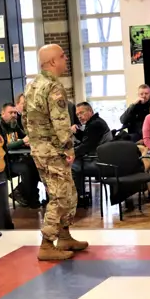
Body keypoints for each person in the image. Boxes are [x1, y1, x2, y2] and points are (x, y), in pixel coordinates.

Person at [24, 44, 88, 260]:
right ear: (52, 62)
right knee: (61, 195)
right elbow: (61, 123)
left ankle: (64, 235)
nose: (66, 59)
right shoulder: (53, 87)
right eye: (62, 56)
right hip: (53, 151)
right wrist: (69, 148)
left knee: (67, 192)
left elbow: (26, 120)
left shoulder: (32, 86)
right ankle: (47, 243)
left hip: (40, 150)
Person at [0, 102, 40, 208]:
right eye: (10, 112)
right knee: (26, 168)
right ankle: (28, 196)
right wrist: (22, 142)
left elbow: (24, 137)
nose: (13, 115)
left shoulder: (14, 124)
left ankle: (22, 193)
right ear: (3, 113)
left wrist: (27, 141)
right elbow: (4, 146)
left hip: (18, 158)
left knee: (35, 163)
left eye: (15, 113)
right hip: (6, 162)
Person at [71, 102, 111, 204]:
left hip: (100, 162)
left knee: (73, 166)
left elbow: (86, 146)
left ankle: (78, 198)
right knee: (75, 160)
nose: (79, 116)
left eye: (82, 113)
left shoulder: (95, 125)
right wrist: (78, 133)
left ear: (90, 111)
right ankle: (80, 195)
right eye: (77, 114)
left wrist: (69, 152)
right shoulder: (95, 122)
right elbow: (88, 140)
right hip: (101, 158)